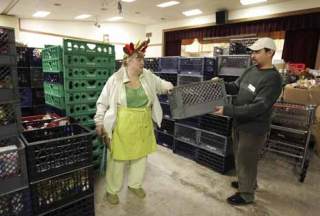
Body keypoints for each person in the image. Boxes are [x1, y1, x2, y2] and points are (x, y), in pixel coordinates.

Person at [94, 38, 174, 205]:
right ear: (127, 61)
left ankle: (134, 184)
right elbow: (102, 102)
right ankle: (112, 190)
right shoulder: (115, 79)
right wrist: (99, 122)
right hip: (122, 125)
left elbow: (162, 85)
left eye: (143, 59)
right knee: (117, 159)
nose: (142, 62)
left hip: (143, 123)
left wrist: (169, 86)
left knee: (140, 156)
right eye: (139, 59)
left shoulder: (148, 76)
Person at [214, 37, 282, 205]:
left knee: (247, 159)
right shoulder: (251, 70)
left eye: (257, 52)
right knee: (241, 156)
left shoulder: (273, 79)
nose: (253, 55)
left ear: (270, 53)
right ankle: (248, 183)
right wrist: (220, 84)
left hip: (254, 128)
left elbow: (258, 108)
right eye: (252, 52)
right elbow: (236, 87)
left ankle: (246, 194)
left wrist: (228, 110)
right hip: (239, 122)